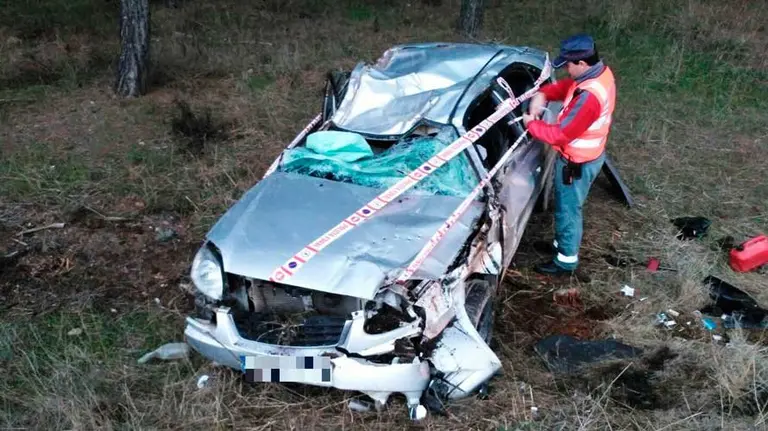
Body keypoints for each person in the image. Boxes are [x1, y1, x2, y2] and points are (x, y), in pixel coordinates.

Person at [522, 34, 616, 276]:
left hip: (577, 164)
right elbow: (570, 88)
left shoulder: (590, 97)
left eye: (568, 65)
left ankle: (565, 261)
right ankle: (561, 245)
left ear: (582, 63)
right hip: (586, 158)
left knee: (568, 211)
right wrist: (545, 93)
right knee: (567, 208)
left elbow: (561, 134)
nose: (566, 69)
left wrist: (531, 124)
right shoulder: (597, 74)